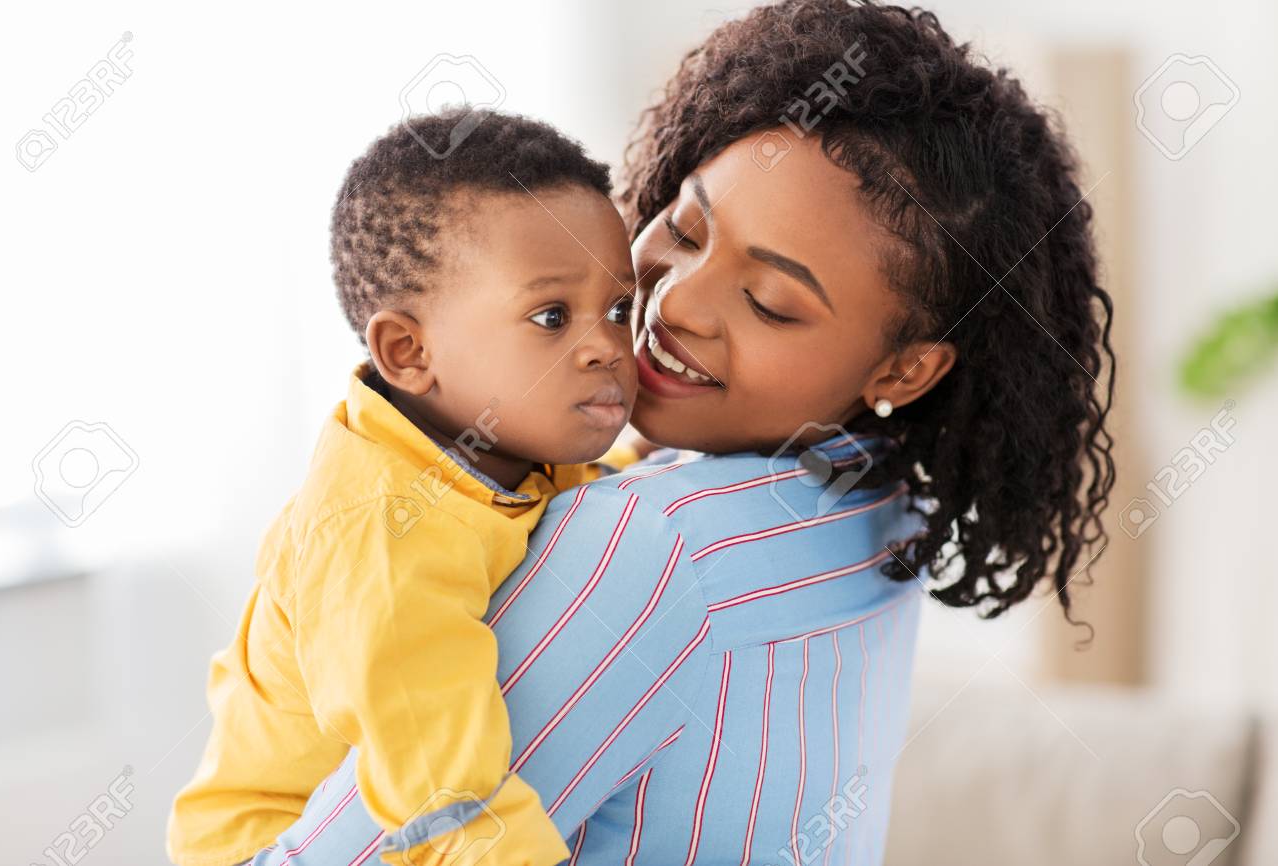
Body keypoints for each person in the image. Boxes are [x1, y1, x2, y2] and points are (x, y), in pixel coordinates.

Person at [242, 0, 1117, 863]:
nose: (675, 303)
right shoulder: (877, 500)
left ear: (903, 370)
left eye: (771, 304)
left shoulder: (649, 542)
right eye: (687, 228)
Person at [166, 111, 644, 866]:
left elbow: (608, 504)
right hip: (270, 847)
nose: (607, 348)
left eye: (620, 309)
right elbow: (442, 796)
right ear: (409, 351)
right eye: (552, 317)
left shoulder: (517, 439)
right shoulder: (378, 534)